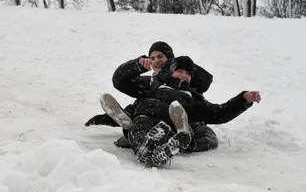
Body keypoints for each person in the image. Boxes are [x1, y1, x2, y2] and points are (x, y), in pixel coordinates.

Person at [111, 55, 261, 166]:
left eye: (188, 74)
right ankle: (144, 149)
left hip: (168, 125)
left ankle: (162, 152)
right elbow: (120, 81)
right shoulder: (152, 83)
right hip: (145, 116)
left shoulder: (193, 97)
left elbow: (218, 113)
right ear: (170, 71)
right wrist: (136, 66)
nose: (184, 75)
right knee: (140, 129)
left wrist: (242, 100)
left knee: (165, 132)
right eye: (180, 71)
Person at [85, 41, 218, 153]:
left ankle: (184, 140)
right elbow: (122, 83)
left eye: (161, 57)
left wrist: (181, 65)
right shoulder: (150, 82)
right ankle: (133, 129)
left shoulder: (184, 77)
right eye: (152, 59)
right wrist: (136, 65)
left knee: (207, 137)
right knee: (142, 110)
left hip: (182, 117)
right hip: (151, 119)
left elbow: (205, 82)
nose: (156, 61)